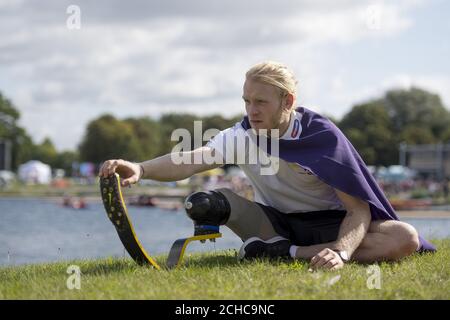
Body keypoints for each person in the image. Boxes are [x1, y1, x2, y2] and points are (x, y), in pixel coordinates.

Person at [99, 61, 435, 271]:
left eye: (260, 101)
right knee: (208, 200)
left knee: (404, 237)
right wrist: (140, 169)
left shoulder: (323, 136)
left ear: (287, 102)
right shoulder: (242, 134)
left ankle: (285, 254)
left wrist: (342, 253)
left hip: (333, 226)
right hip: (273, 224)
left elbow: (358, 211)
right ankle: (275, 248)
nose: (251, 110)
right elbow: (191, 160)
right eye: (246, 100)